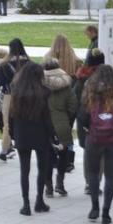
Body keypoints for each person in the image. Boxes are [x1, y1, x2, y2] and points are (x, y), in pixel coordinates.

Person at [10, 62, 58, 216]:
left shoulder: (17, 92)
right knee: (42, 168)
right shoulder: (44, 93)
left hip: (22, 135)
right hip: (40, 135)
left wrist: (12, 134)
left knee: (24, 170)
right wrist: (53, 135)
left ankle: (26, 204)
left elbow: (11, 116)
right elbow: (47, 118)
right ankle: (39, 200)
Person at [80, 64, 113, 224]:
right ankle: (106, 212)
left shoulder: (90, 90)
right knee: (111, 176)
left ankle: (94, 207)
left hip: (94, 137)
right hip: (112, 140)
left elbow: (82, 115)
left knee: (93, 173)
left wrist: (87, 128)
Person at [43, 58, 77, 197]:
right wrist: (66, 119)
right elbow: (73, 106)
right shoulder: (67, 87)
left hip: (45, 126)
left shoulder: (41, 85)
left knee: (47, 157)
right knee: (63, 156)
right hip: (62, 125)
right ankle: (60, 184)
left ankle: (48, 187)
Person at [0, 38, 31, 162]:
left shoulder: (5, 64)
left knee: (7, 124)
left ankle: (5, 150)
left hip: (10, 95)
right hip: (26, 96)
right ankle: (25, 145)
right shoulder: (29, 62)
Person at [76, 49, 106, 194]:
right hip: (105, 121)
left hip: (86, 120)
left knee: (89, 152)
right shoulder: (109, 78)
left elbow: (76, 100)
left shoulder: (82, 77)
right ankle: (97, 182)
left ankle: (89, 182)